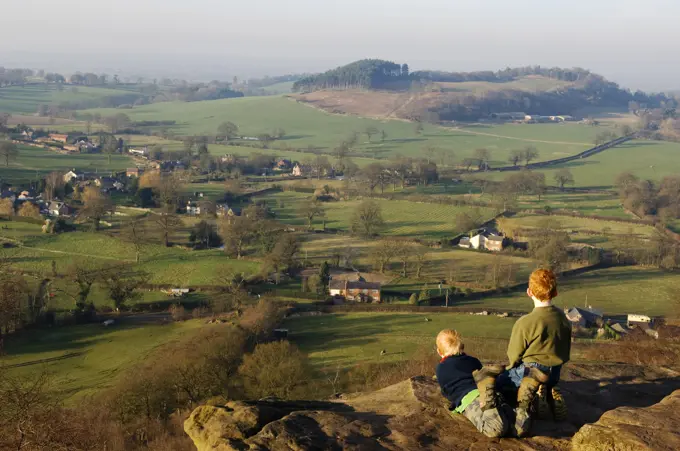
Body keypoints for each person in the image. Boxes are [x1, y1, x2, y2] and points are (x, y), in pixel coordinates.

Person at [496, 268, 572, 437]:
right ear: (556, 292)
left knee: (498, 383)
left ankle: (533, 397)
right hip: (555, 371)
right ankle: (548, 389)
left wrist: (509, 368)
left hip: (530, 372)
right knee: (547, 379)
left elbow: (513, 356)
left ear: (529, 292)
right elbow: (565, 351)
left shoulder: (525, 322)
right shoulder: (562, 317)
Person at [435, 329, 509, 438]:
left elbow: (446, 392)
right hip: (493, 394)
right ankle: (523, 405)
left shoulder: (441, 368)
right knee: (515, 426)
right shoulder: (473, 360)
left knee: (494, 429)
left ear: (439, 351)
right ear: (462, 347)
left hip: (471, 399)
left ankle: (487, 397)